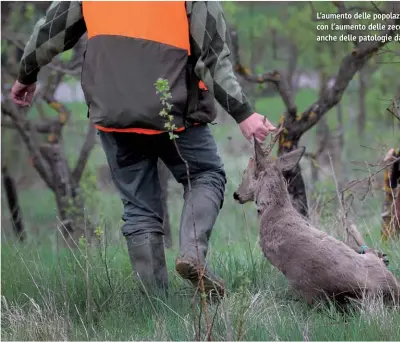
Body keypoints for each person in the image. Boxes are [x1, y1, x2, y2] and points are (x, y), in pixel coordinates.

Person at [11, 1, 276, 298]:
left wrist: (26, 75)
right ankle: (193, 253)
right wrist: (243, 113)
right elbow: (212, 55)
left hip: (114, 112)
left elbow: (51, 30)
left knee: (139, 208)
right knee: (205, 174)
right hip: (175, 110)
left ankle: (155, 304)